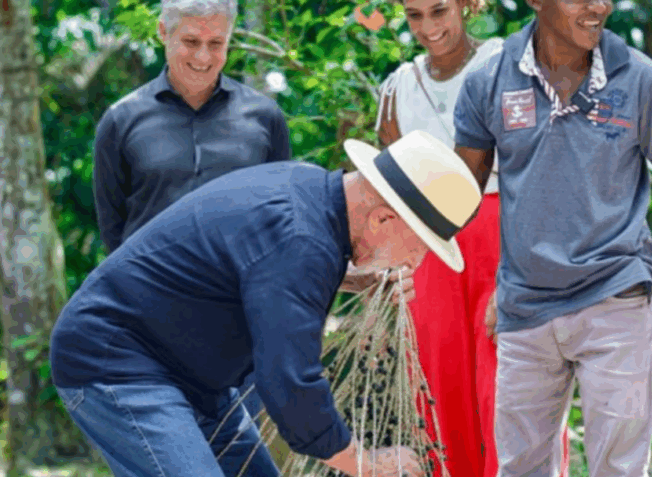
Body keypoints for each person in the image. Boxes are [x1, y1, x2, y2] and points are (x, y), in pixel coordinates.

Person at [50, 130, 481, 477]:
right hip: (119, 364)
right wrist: (363, 463)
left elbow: (264, 275)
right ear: (383, 218)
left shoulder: (309, 193)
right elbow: (289, 381)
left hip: (193, 383)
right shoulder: (303, 240)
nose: (414, 262)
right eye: (420, 247)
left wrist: (355, 282)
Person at [451, 0, 652, 475]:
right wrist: (393, 251)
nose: (598, 6)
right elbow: (458, 197)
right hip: (525, 311)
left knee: (619, 469)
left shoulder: (640, 79)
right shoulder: (488, 82)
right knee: (520, 468)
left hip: (615, 300)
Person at [342, 0, 569, 475]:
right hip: (428, 245)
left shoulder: (509, 64)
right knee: (441, 394)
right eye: (414, 15)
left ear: (468, 5)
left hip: (504, 236)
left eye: (440, 10)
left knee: (512, 391)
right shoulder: (398, 87)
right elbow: (389, 196)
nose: (429, 28)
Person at [92, 0, 290, 420]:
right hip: (152, 328)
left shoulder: (265, 116)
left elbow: (280, 219)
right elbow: (114, 230)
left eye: (216, 43)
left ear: (230, 41)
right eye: (190, 41)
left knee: (240, 454)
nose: (203, 57)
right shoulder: (120, 120)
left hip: (244, 327)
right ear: (163, 33)